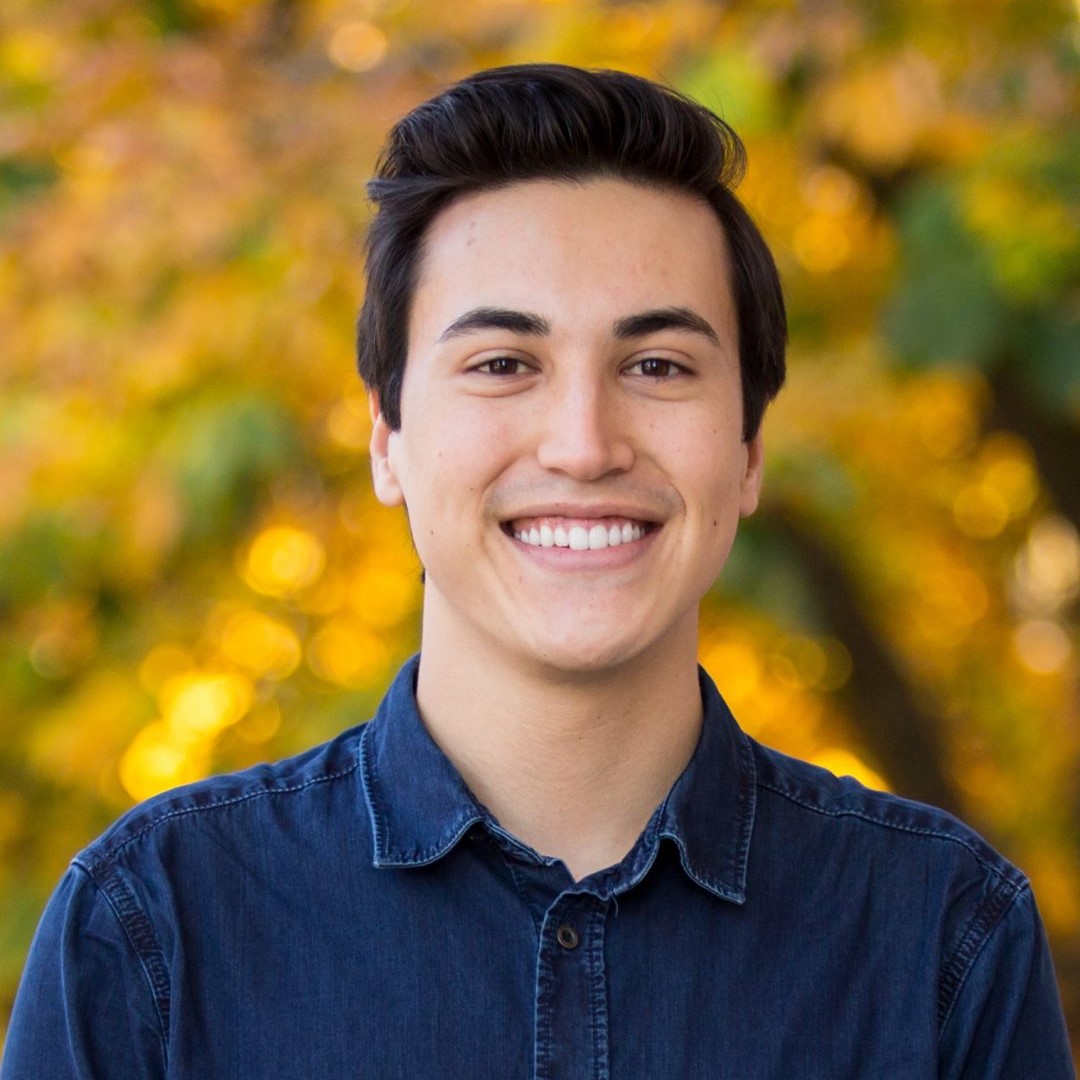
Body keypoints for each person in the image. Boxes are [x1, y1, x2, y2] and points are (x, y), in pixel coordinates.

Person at [2, 63, 1073, 1079]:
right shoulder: (155, 928)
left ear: (748, 450)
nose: (582, 443)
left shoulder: (943, 934)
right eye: (503, 364)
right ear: (388, 437)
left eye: (657, 366)